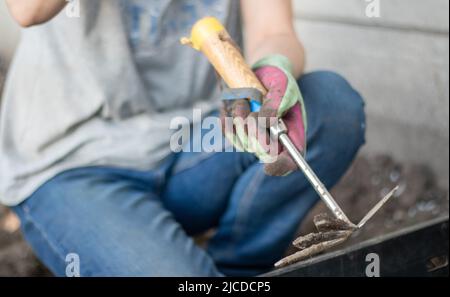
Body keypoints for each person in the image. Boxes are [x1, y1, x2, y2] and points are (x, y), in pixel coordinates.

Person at [1, 0, 365, 276]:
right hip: (73, 165)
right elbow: (27, 10)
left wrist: (270, 69)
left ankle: (241, 267)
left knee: (329, 105)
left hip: (191, 143)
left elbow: (274, 30)